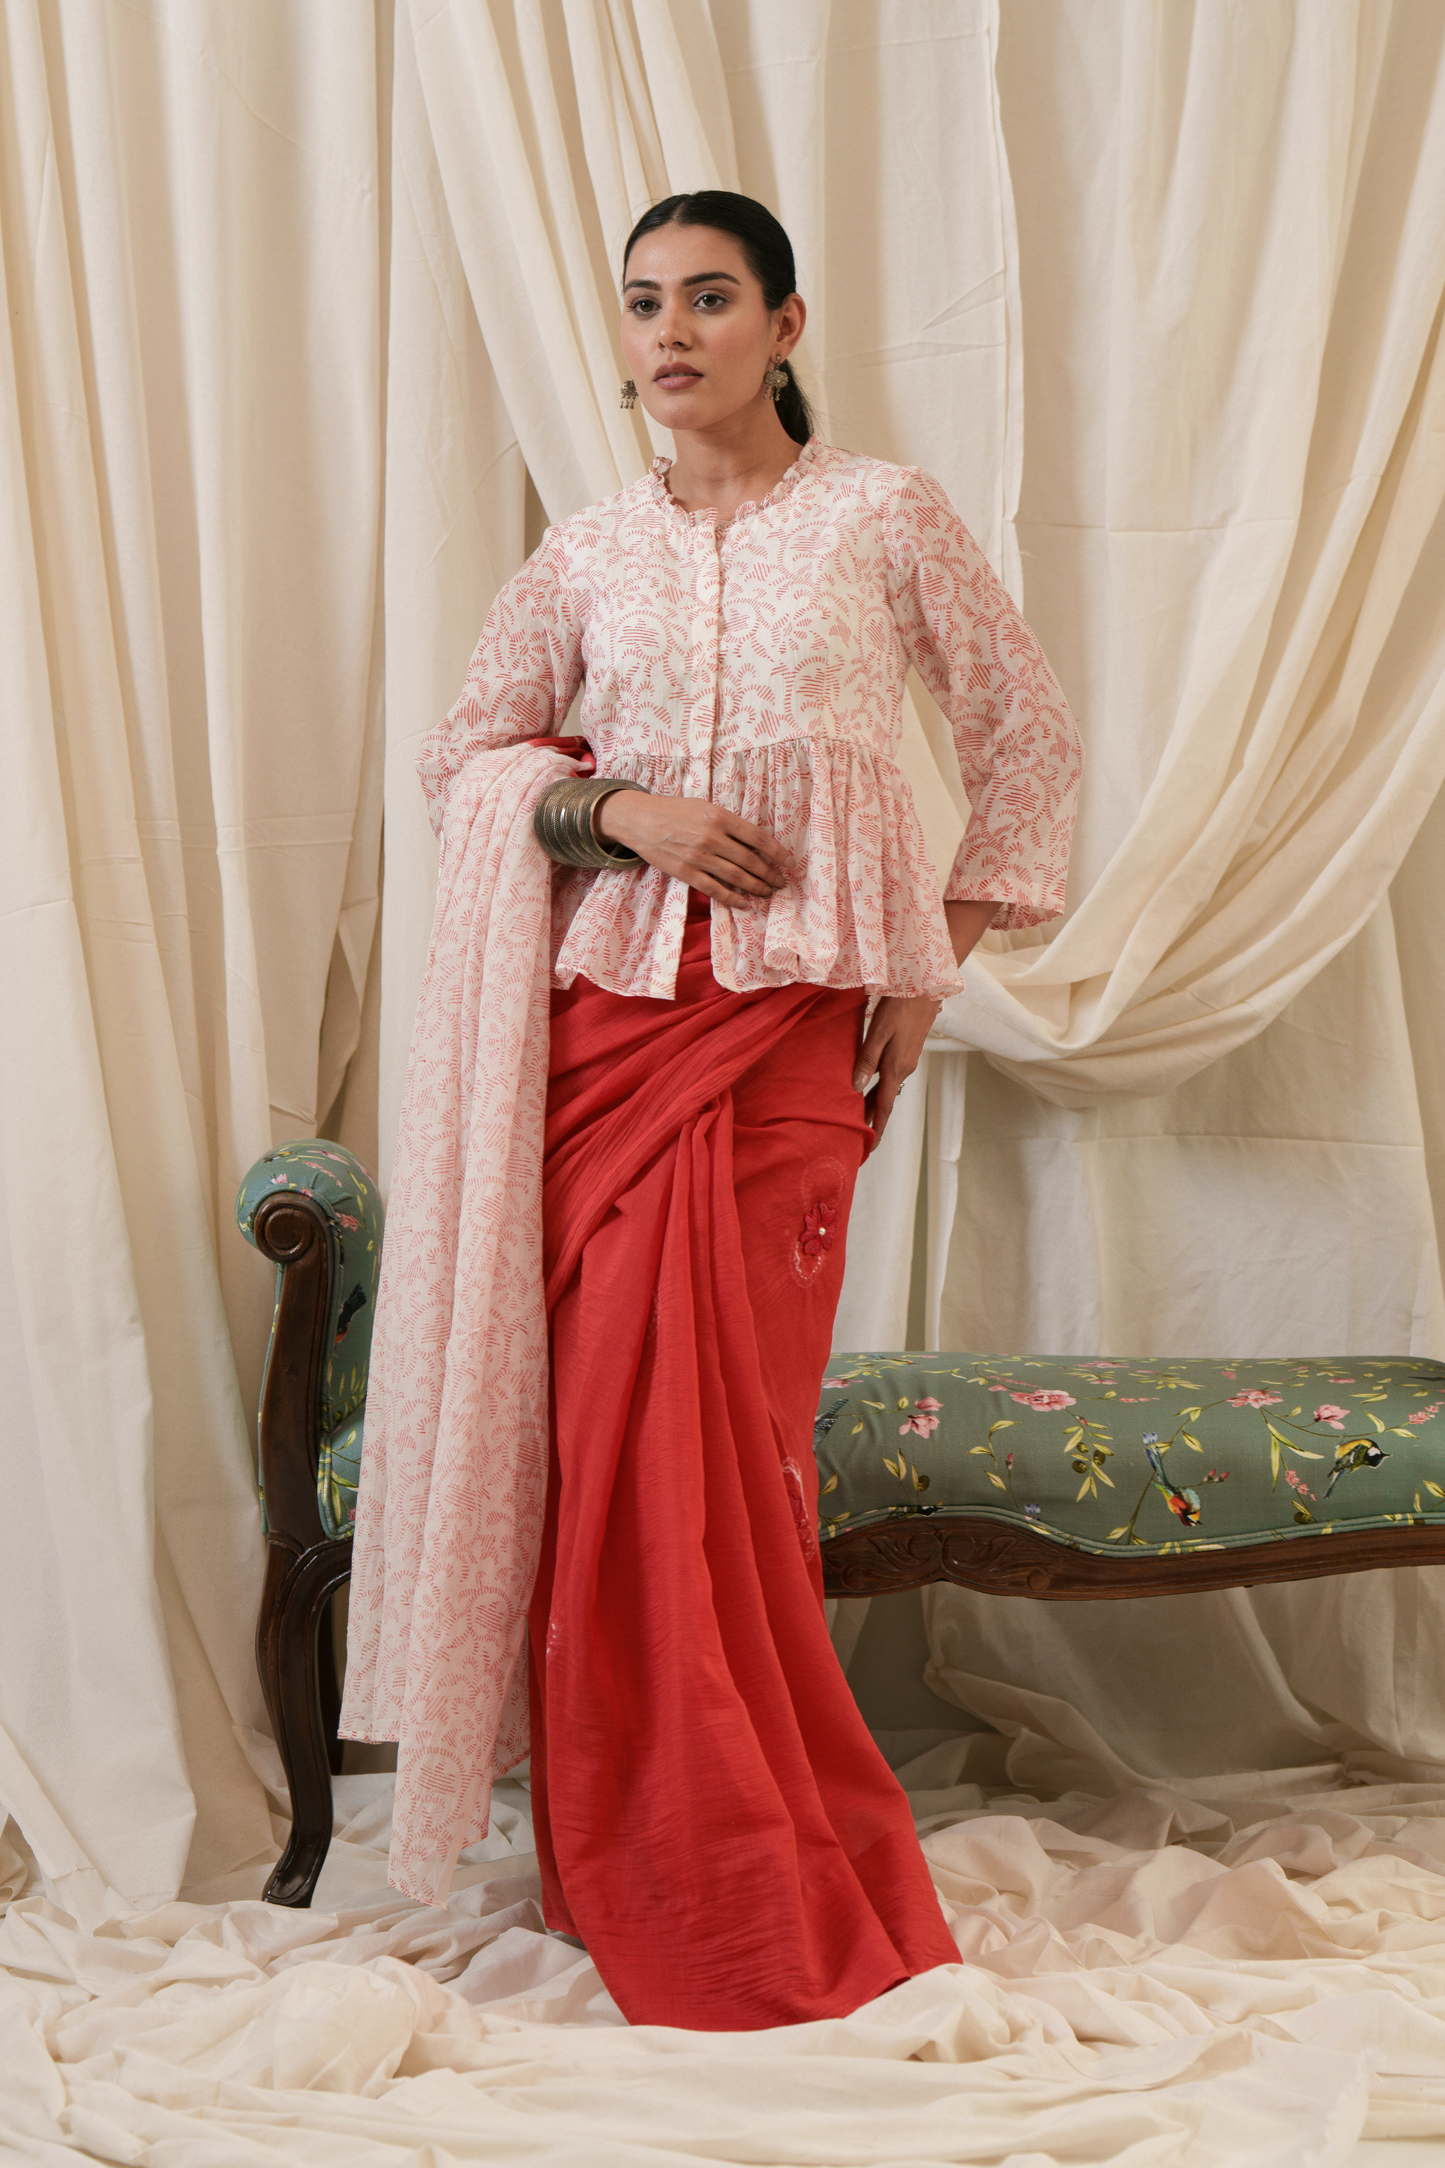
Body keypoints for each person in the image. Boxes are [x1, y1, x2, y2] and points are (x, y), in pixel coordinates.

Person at [343, 190, 1081, 2031]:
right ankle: (633, 1855)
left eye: (710, 298)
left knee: (730, 1462)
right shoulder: (587, 552)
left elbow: (1026, 737)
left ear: (786, 323)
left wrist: (929, 959)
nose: (669, 333)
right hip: (602, 1044)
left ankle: (750, 1856)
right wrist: (619, 814)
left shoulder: (882, 517)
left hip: (786, 1055)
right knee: (605, 1456)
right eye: (643, 303)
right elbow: (460, 761)